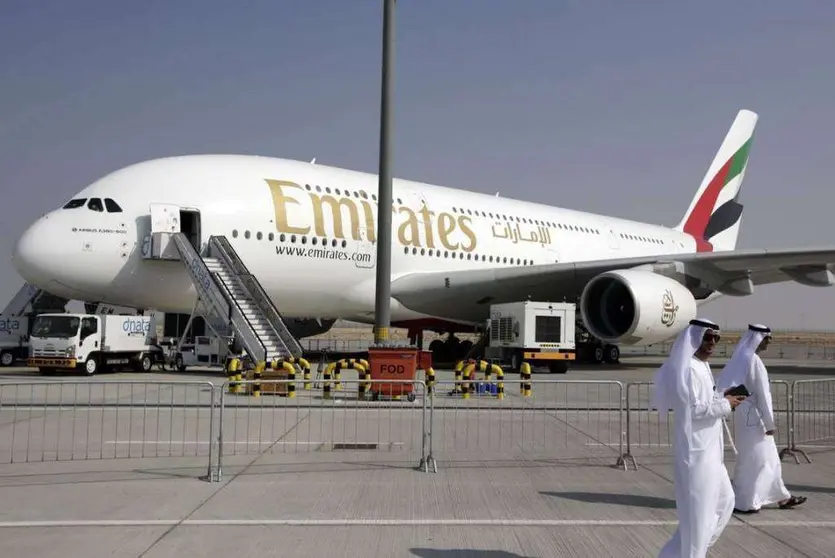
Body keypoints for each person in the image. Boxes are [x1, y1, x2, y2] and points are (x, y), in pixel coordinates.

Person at [652, 318, 745, 558]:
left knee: (726, 502)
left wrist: (723, 397)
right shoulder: (690, 369)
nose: (713, 342)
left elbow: (704, 402)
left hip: (711, 454)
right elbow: (692, 411)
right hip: (696, 455)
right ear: (695, 338)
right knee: (698, 521)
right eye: (708, 337)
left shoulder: (702, 366)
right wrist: (726, 404)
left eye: (716, 337)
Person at [715, 324, 807, 513]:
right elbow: (763, 395)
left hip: (744, 415)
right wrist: (769, 422)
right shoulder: (753, 360)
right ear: (759, 339)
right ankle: (746, 501)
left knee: (768, 458)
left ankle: (782, 497)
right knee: (756, 460)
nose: (769, 342)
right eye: (767, 338)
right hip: (755, 418)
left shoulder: (740, 358)